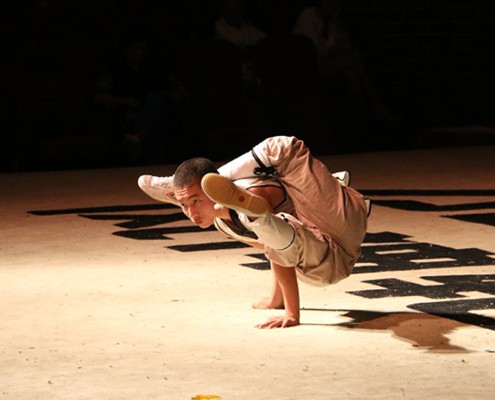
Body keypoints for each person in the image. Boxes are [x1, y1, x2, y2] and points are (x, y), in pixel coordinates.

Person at [137, 136, 370, 328]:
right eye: (183, 205)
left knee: (284, 150)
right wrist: (275, 299)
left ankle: (192, 187)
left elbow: (279, 250)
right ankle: (199, 191)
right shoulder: (223, 223)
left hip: (339, 226)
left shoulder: (252, 195)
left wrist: (292, 314)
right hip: (326, 244)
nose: (190, 213)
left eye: (195, 201)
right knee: (278, 237)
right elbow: (272, 251)